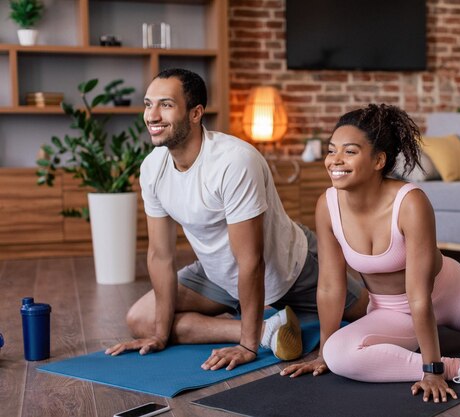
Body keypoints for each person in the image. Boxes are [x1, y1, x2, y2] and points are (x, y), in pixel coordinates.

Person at [280, 104, 460, 403]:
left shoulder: (410, 202)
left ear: (378, 160)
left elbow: (420, 296)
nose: (335, 160)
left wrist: (432, 370)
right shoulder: (327, 204)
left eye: (349, 151)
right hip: (391, 310)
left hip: (450, 292)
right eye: (332, 150)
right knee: (337, 354)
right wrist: (322, 353)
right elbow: (331, 286)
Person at [105, 68, 368, 371]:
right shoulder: (153, 168)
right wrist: (161, 335)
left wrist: (247, 346)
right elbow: (160, 255)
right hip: (218, 275)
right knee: (141, 319)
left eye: (165, 104)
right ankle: (270, 328)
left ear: (195, 113)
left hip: (290, 268)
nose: (152, 115)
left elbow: (251, 260)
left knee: (373, 313)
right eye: (148, 104)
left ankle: (264, 322)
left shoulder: (233, 161)